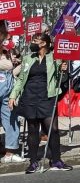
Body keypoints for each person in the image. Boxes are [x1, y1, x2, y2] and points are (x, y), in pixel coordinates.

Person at [9, 34, 72, 173]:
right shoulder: (28, 58)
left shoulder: (55, 58)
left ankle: (56, 160)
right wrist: (13, 96)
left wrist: (63, 69)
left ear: (44, 43)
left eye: (35, 41)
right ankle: (33, 162)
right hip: (30, 96)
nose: (32, 43)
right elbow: (21, 79)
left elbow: (61, 78)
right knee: (32, 129)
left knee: (52, 129)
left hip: (47, 96)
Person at [0, 41, 21, 163]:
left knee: (11, 119)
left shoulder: (9, 50)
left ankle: (10, 152)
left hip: (8, 84)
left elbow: (17, 67)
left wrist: (16, 67)